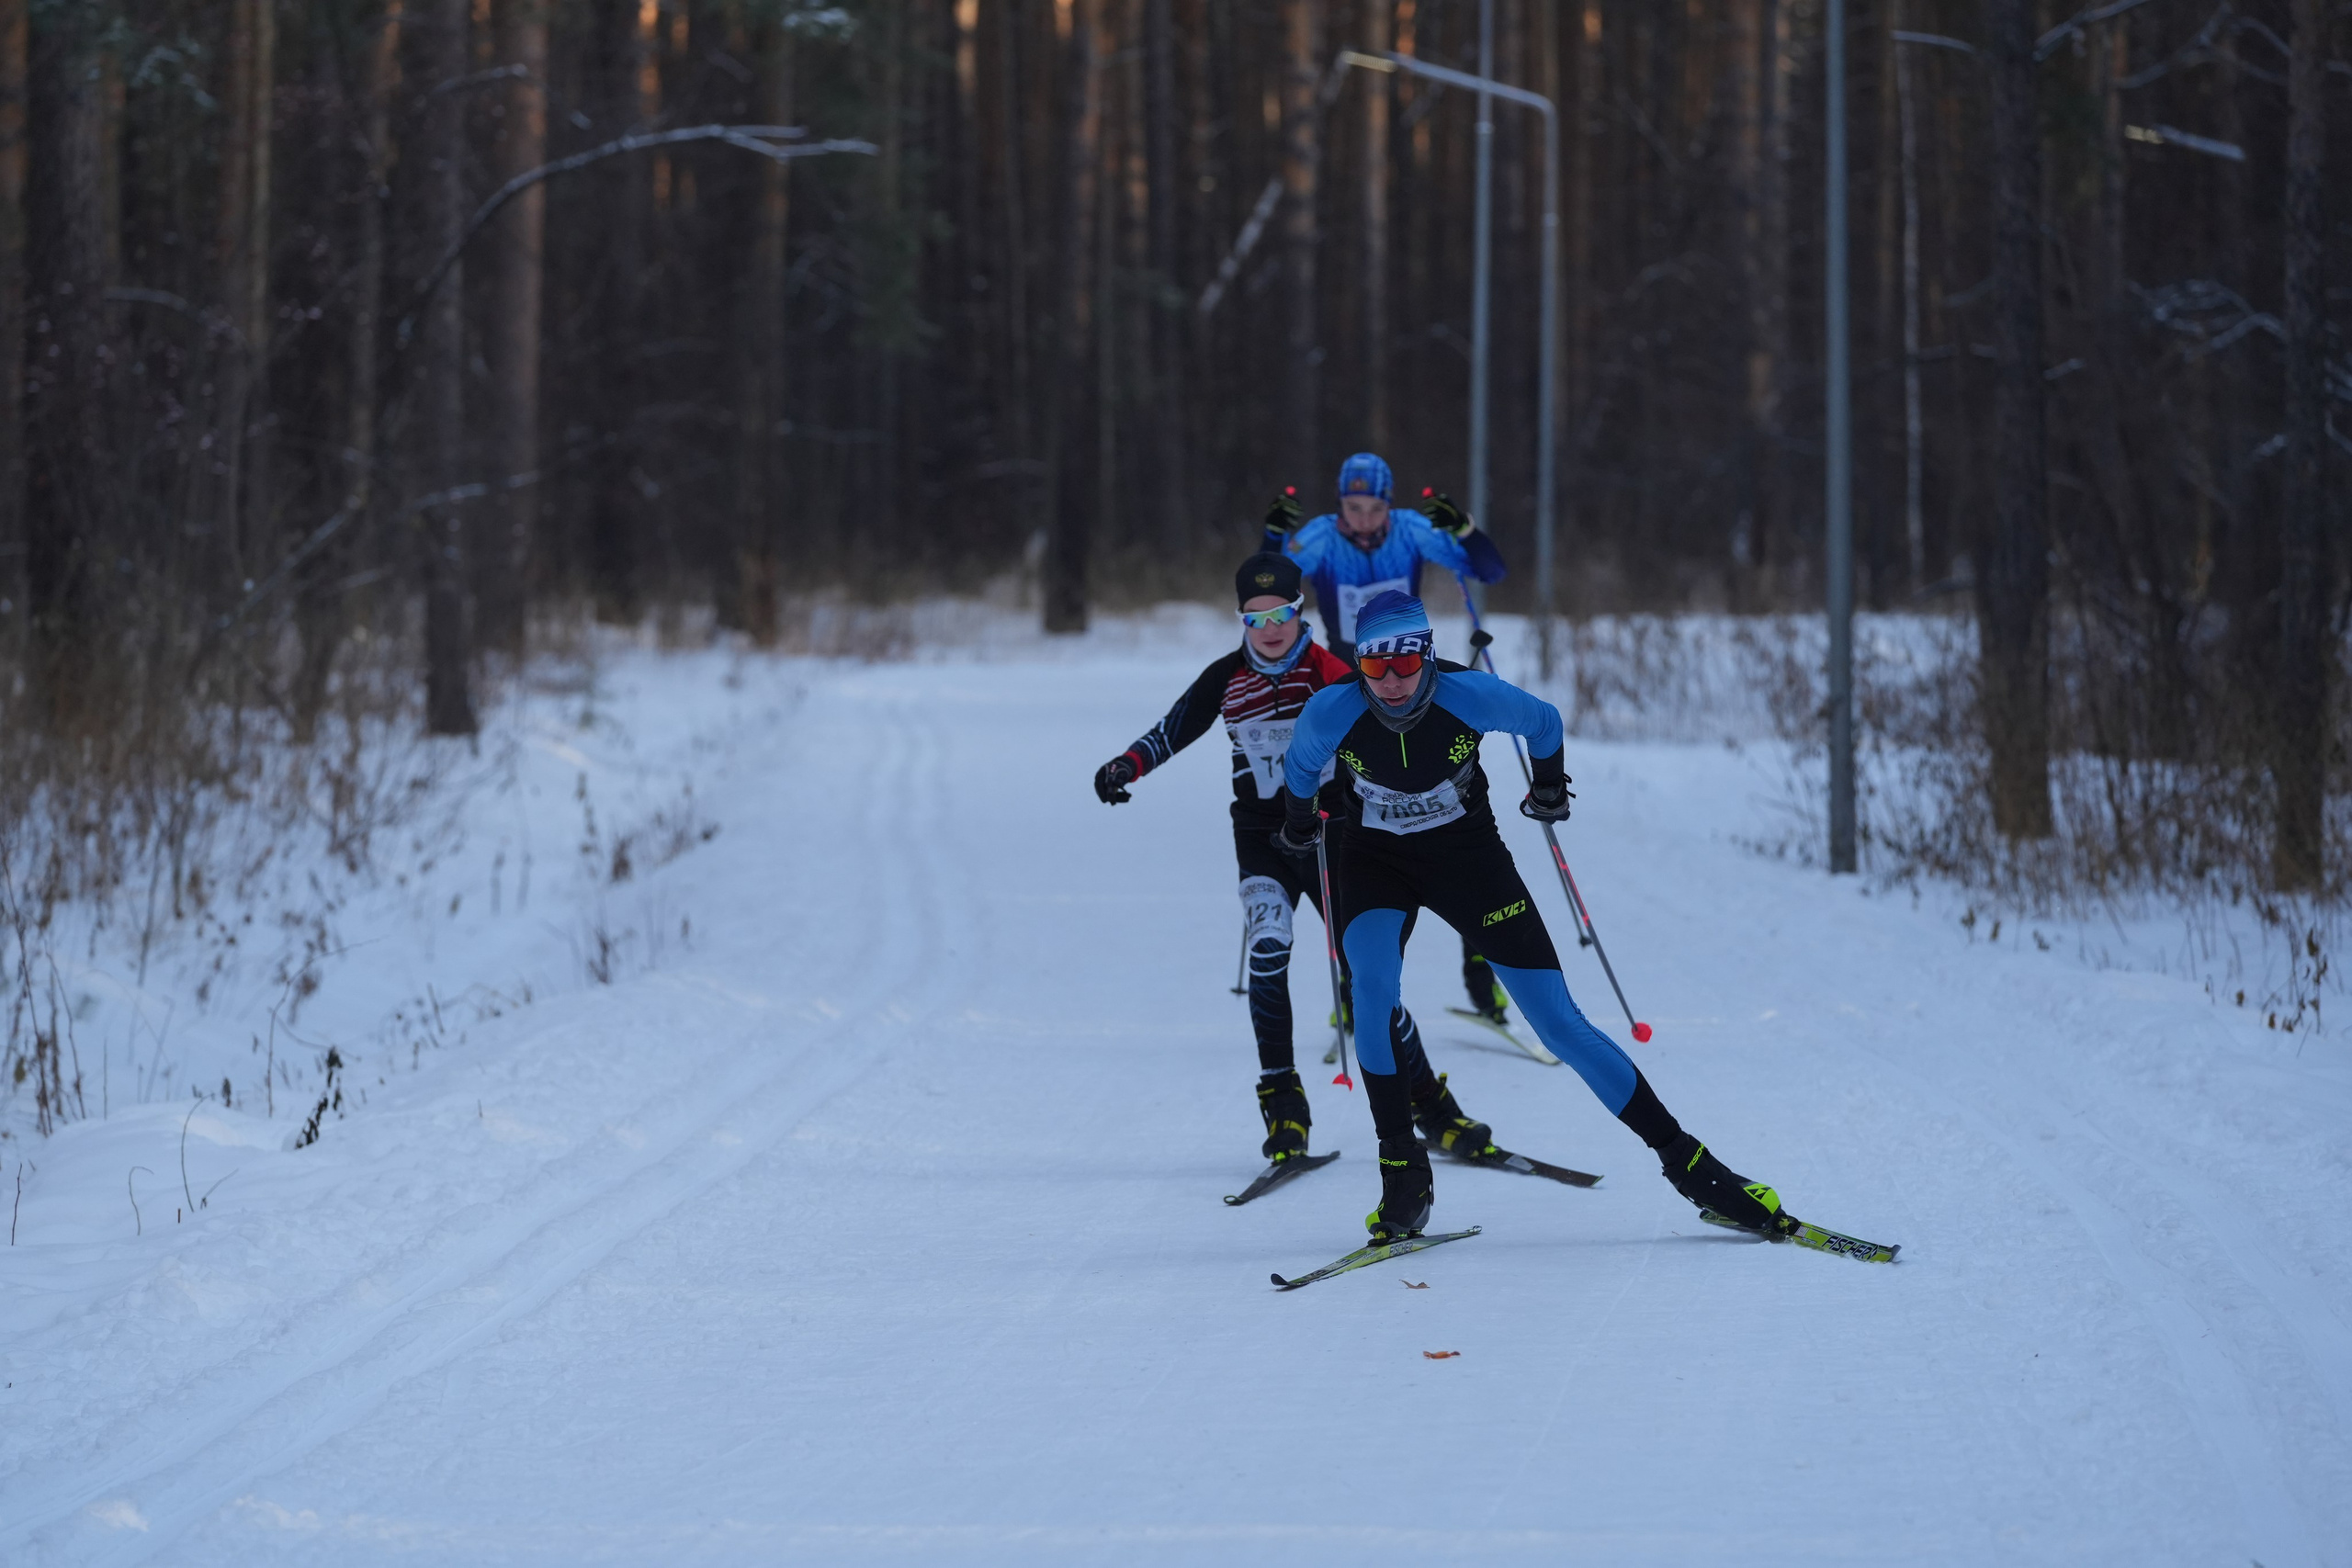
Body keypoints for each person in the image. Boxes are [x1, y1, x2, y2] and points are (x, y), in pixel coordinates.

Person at [1274, 589, 1786, 1243]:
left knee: (1560, 1024)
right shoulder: (1333, 709)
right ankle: (1403, 1171)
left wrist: (1548, 786)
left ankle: (1691, 1166)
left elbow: (1544, 722)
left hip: (1468, 860)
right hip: (1376, 863)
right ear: (1360, 667)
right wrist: (1297, 823)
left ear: (1429, 654)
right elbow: (1299, 765)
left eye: (1406, 663)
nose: (1394, 682)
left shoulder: (1472, 695)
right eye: (1376, 668)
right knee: (1371, 993)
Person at [1091, 555, 1498, 1171]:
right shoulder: (1226, 677)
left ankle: (1432, 1107)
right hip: (1261, 838)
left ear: (1299, 611)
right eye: (1255, 618)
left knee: (1371, 981)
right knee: (1268, 949)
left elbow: (1398, 726)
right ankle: (1283, 1104)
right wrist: (1128, 764)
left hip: (1333, 835)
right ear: (1241, 621)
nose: (1270, 627)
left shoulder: (1333, 673)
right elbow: (1174, 727)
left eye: (1280, 612)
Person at [1264, 452, 1516, 1031]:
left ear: (1389, 503)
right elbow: (1272, 589)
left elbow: (1491, 571)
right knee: (1355, 835)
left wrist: (1465, 529)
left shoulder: (1408, 529)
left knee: (1456, 824)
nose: (1365, 519)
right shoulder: (1323, 539)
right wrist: (1272, 535)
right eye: (1353, 508)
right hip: (1350, 688)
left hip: (1413, 684)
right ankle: (1360, 991)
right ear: (1339, 506)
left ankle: (1486, 986)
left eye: (1374, 506)